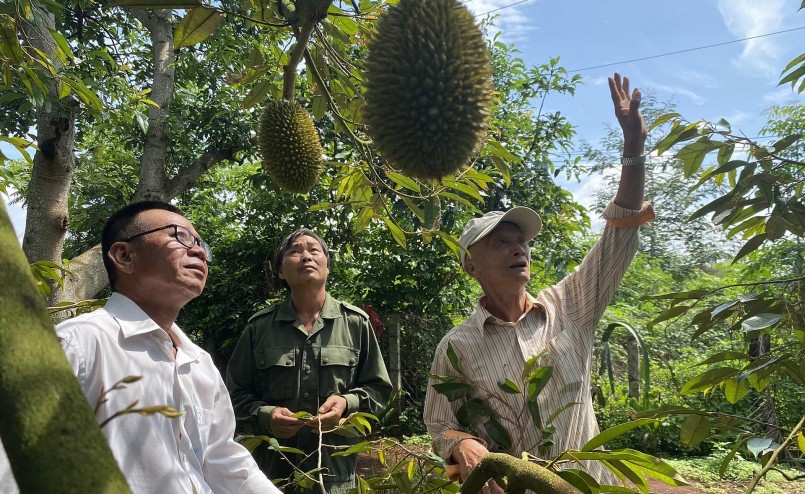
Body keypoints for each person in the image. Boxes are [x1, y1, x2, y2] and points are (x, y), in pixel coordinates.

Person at [423, 73, 655, 492]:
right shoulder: (457, 346)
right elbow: (440, 423)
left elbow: (619, 233)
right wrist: (461, 443)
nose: (519, 249)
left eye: (522, 242)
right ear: (471, 267)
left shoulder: (571, 305)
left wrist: (633, 148)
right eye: (501, 242)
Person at [50, 201, 279, 493]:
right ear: (124, 256)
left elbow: (223, 462)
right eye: (180, 236)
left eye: (201, 245)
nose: (199, 252)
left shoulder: (199, 363)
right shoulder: (76, 344)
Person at [226, 228, 393, 493]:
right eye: (295, 251)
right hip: (273, 479)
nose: (306, 256)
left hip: (335, 478)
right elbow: (233, 394)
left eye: (314, 250)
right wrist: (266, 415)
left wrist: (346, 404)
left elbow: (379, 388)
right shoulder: (258, 328)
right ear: (281, 271)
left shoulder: (355, 324)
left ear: (328, 266)